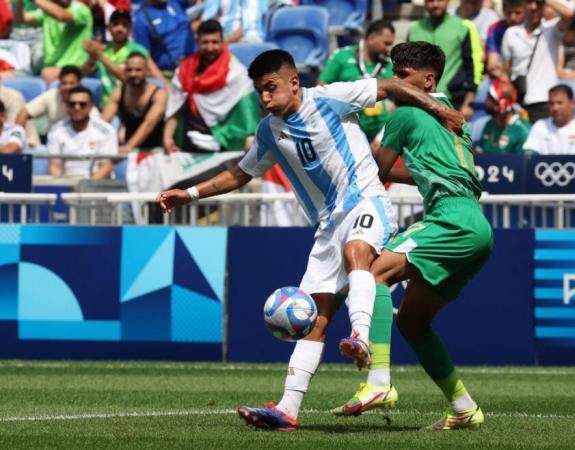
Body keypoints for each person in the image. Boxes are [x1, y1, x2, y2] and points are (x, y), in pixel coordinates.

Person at [157, 48, 465, 431]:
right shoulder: (268, 131)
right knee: (313, 319)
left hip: (366, 201)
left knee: (358, 251)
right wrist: (190, 194)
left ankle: (361, 336)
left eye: (271, 88)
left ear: (294, 82)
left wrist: (443, 111)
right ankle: (287, 409)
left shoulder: (330, 97)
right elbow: (239, 174)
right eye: (259, 92)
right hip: (327, 227)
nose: (265, 98)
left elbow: (388, 85)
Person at [368, 41, 493, 430]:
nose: (394, 84)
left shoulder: (405, 114)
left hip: (450, 218)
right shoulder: (458, 122)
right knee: (412, 324)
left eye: (402, 77)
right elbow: (429, 171)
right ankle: (463, 407)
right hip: (477, 225)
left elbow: (377, 172)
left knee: (373, 274)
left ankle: (377, 381)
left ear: (427, 79)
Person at [163, 19, 259, 155]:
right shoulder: (184, 70)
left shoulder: (237, 72)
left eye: (215, 42)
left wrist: (250, 137)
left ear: (222, 42)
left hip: (223, 139)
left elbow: (248, 111)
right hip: (188, 140)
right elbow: (175, 107)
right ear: (197, 43)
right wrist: (167, 138)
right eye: (205, 43)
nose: (210, 48)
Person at [319, 19, 395, 145]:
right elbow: (322, 87)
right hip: (347, 133)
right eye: (386, 43)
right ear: (371, 38)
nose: (389, 48)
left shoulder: (388, 64)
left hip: (381, 136)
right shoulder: (342, 56)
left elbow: (397, 102)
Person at [408, 0, 483, 120]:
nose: (435, 4)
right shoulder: (414, 29)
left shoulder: (463, 27)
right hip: (418, 101)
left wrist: (469, 103)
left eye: (440, 0)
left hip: (451, 101)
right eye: (430, 1)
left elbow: (473, 65)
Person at [502, 0, 573, 123]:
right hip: (518, 103)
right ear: (523, 5)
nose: (534, 7)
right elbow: (506, 70)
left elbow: (570, 15)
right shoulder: (511, 33)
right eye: (529, 2)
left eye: (539, 3)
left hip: (545, 101)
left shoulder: (552, 29)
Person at [81, 9, 166, 107]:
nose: (119, 29)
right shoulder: (103, 50)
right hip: (105, 105)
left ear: (130, 29)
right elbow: (80, 74)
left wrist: (99, 55)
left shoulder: (138, 50)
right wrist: (92, 57)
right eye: (116, 24)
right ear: (108, 28)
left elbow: (126, 77)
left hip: (128, 107)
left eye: (125, 25)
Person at [16, 65, 99, 148]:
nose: (67, 87)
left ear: (79, 83)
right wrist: (18, 142)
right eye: (64, 83)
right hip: (54, 145)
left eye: (71, 83)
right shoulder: (52, 95)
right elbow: (24, 112)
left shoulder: (89, 109)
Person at [102, 52, 168, 154]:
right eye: (129, 70)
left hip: (156, 151)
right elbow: (103, 122)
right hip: (128, 150)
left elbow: (149, 123)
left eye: (138, 70)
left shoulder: (159, 94)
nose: (133, 74)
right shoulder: (119, 92)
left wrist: (129, 147)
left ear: (147, 72)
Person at [13, 0, 93, 83]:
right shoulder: (48, 11)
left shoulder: (81, 9)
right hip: (48, 68)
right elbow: (21, 19)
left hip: (73, 69)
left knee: (47, 73)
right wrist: (20, 2)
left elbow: (62, 16)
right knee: (3, 77)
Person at [47, 86, 118, 179]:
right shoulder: (56, 131)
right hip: (67, 184)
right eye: (72, 104)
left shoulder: (106, 131)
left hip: (98, 185)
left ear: (91, 106)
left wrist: (86, 187)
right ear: (66, 106)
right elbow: (54, 167)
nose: (77, 107)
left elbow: (106, 168)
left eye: (82, 104)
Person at [523, 84, 575, 154]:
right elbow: (528, 156)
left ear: (572, 104)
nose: (555, 108)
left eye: (560, 103)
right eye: (552, 103)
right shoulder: (540, 126)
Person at [133, 0, 196, 74]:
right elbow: (145, 57)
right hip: (171, 72)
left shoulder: (174, 3)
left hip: (196, 62)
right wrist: (165, 84)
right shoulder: (141, 18)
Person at [480, 78, 531, 154]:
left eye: (491, 98)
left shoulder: (522, 130)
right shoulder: (489, 124)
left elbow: (525, 163)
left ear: (503, 105)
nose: (486, 101)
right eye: (488, 96)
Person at [485, 0, 527, 78]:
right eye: (509, 13)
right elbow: (492, 63)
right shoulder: (495, 28)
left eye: (518, 13)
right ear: (503, 11)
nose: (513, 17)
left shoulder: (531, 28)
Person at [201, 0, 267, 44]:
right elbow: (209, 16)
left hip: (250, 38)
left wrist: (226, 42)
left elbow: (249, 23)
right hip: (223, 35)